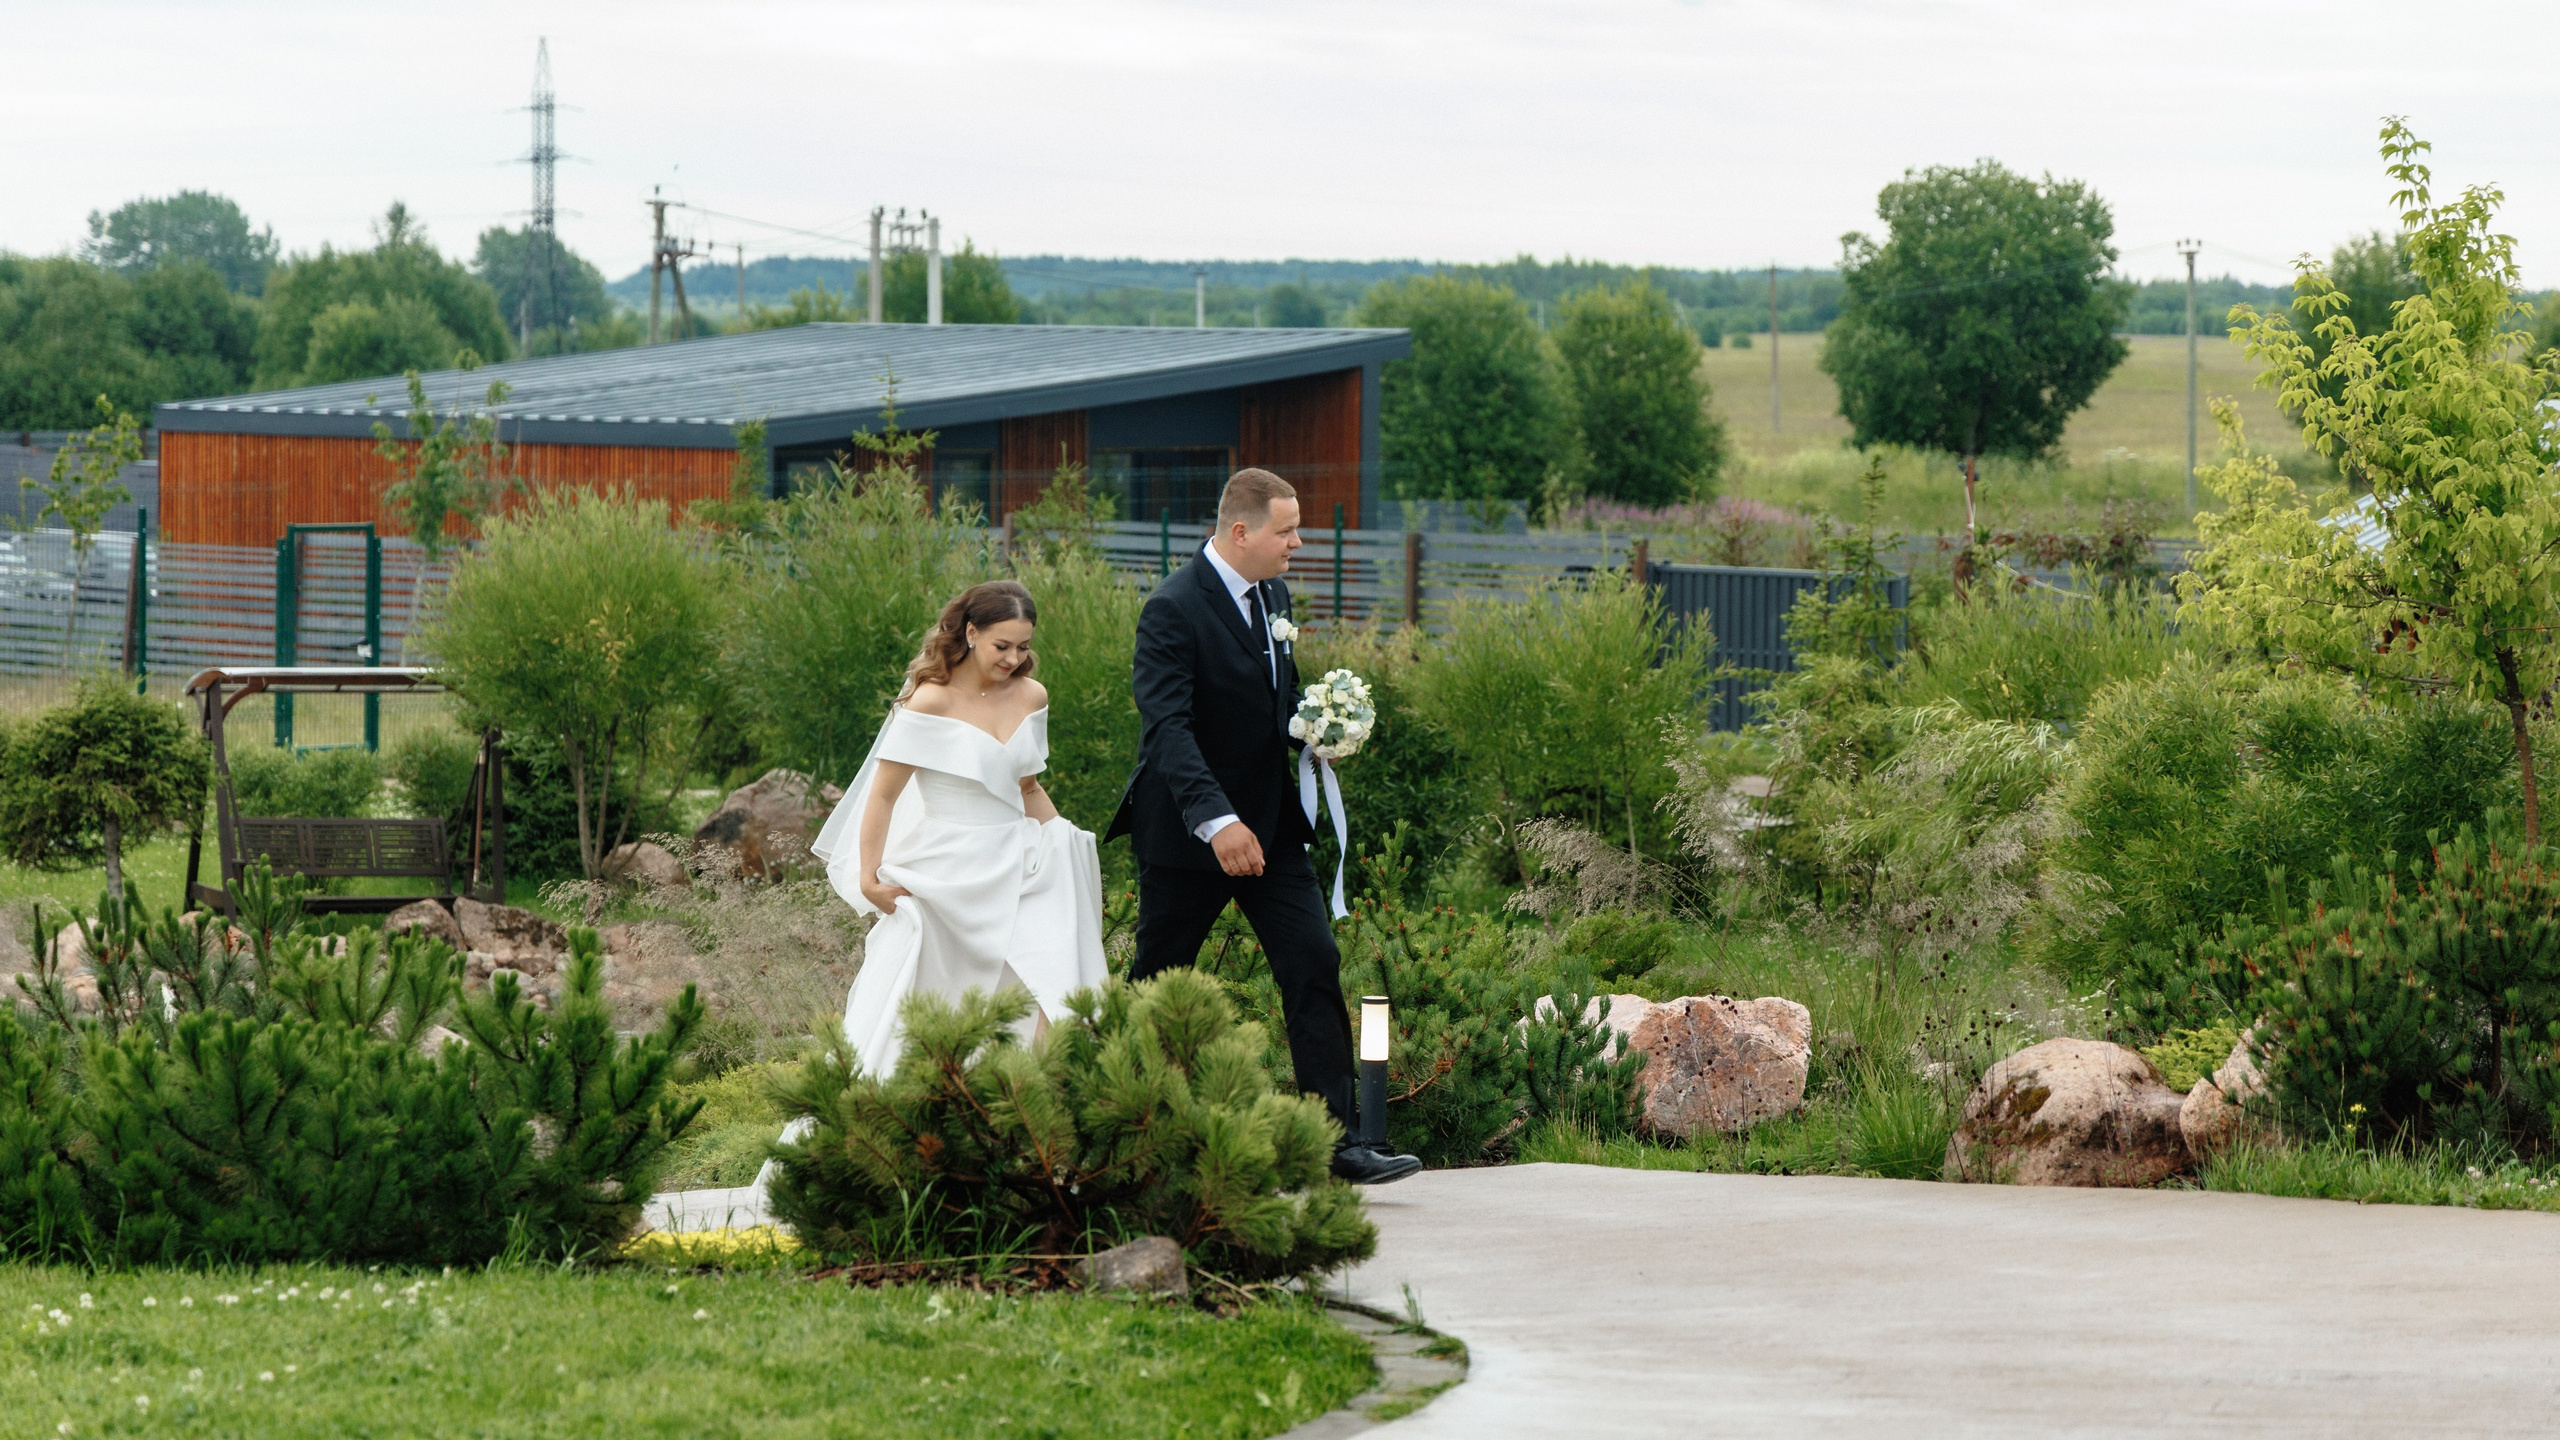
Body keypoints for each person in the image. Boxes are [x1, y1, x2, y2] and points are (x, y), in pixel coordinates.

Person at [1105, 469, 1422, 1186]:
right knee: (1161, 985)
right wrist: (1217, 822)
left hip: (1272, 830)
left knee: (1313, 962)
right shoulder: (1171, 608)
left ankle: (1334, 1143)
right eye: (1286, 531)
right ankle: (1131, 1136)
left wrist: (1315, 732)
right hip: (1190, 835)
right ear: (1241, 531)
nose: (1297, 543)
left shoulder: (1274, 597)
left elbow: (1262, 706)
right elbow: (1169, 730)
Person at [806, 579, 1108, 1077]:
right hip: (946, 868)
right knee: (926, 991)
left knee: (1051, 975)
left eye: (1024, 647)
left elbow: (1028, 787)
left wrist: (1065, 845)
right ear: (971, 633)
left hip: (1021, 860)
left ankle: (1037, 1097)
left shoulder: (1032, 696)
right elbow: (884, 794)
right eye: (1002, 646)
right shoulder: (931, 702)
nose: (1013, 658)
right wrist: (868, 877)